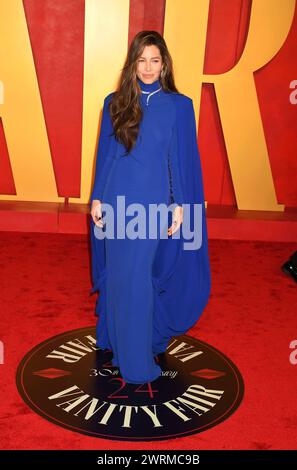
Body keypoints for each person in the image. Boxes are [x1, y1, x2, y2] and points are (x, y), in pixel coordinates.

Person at [89, 31, 211, 384]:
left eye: (154, 60)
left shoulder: (179, 106)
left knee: (138, 279)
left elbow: (179, 160)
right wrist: (97, 197)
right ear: (132, 63)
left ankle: (136, 359)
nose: (147, 68)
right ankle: (119, 343)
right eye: (141, 60)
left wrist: (178, 206)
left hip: (153, 206)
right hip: (117, 203)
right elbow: (107, 156)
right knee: (120, 277)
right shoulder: (115, 101)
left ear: (165, 63)